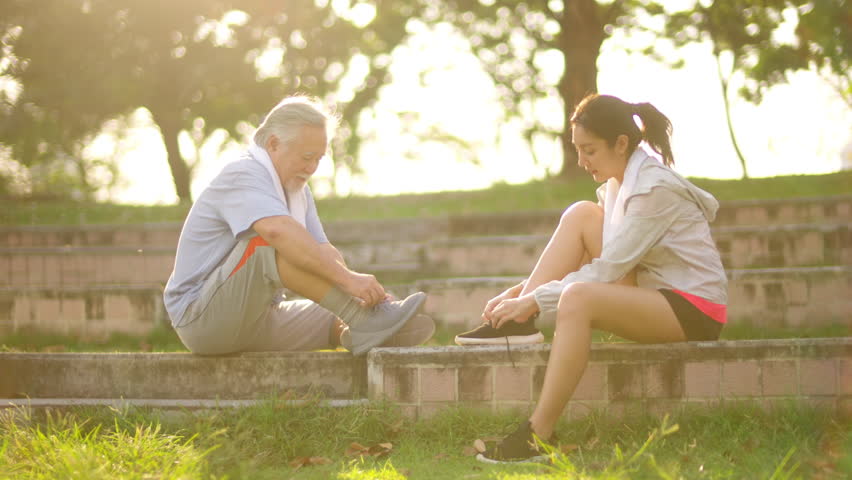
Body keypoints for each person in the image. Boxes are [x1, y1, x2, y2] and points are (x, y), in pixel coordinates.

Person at [456, 93, 728, 463]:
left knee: (578, 299)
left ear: (621, 143)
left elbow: (607, 269)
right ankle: (522, 321)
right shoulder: (619, 183)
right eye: (577, 151)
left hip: (693, 308)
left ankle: (539, 434)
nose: (582, 161)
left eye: (590, 150)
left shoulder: (653, 189)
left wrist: (534, 298)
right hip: (653, 293)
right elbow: (588, 254)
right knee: (583, 214)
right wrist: (522, 292)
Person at [163, 96, 432, 357]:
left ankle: (366, 331)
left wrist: (362, 295)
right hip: (201, 321)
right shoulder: (242, 174)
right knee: (266, 243)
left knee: (357, 310)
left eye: (319, 158)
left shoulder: (298, 190)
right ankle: (365, 323)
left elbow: (323, 251)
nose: (313, 167)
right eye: (306, 156)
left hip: (256, 318)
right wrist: (349, 282)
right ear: (273, 144)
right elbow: (277, 233)